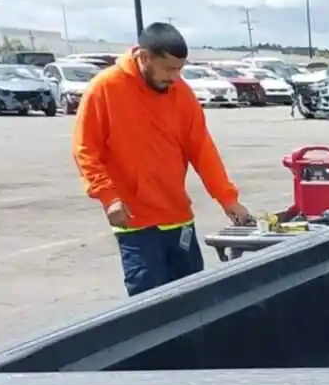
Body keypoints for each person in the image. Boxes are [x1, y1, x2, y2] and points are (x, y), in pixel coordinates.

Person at [72, 22, 253, 296]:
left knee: (193, 301)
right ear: (143, 57)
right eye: (169, 69)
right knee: (150, 307)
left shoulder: (181, 94)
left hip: (178, 218)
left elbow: (202, 149)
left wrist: (228, 199)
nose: (176, 77)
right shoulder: (105, 89)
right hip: (136, 224)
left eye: (180, 69)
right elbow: (86, 149)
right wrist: (108, 197)